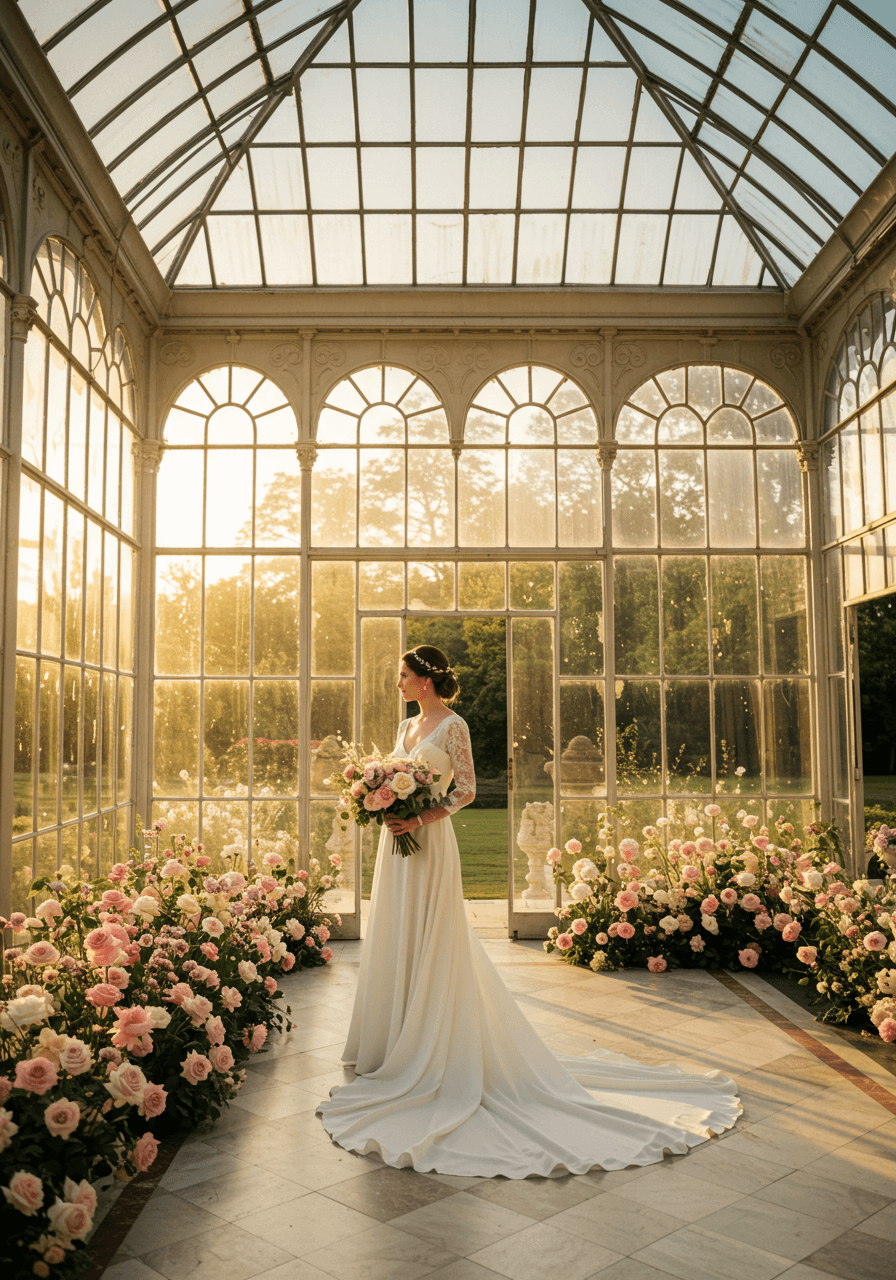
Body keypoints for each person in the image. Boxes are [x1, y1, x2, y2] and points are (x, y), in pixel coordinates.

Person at [317, 644, 740, 1177]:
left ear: (425, 679)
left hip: (429, 845)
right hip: (396, 849)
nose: (397, 683)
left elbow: (466, 790)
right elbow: (393, 780)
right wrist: (380, 802)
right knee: (395, 933)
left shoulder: (455, 727)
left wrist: (418, 819)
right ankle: (392, 1042)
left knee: (432, 937)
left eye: (403, 675)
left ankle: (433, 1045)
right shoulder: (405, 729)